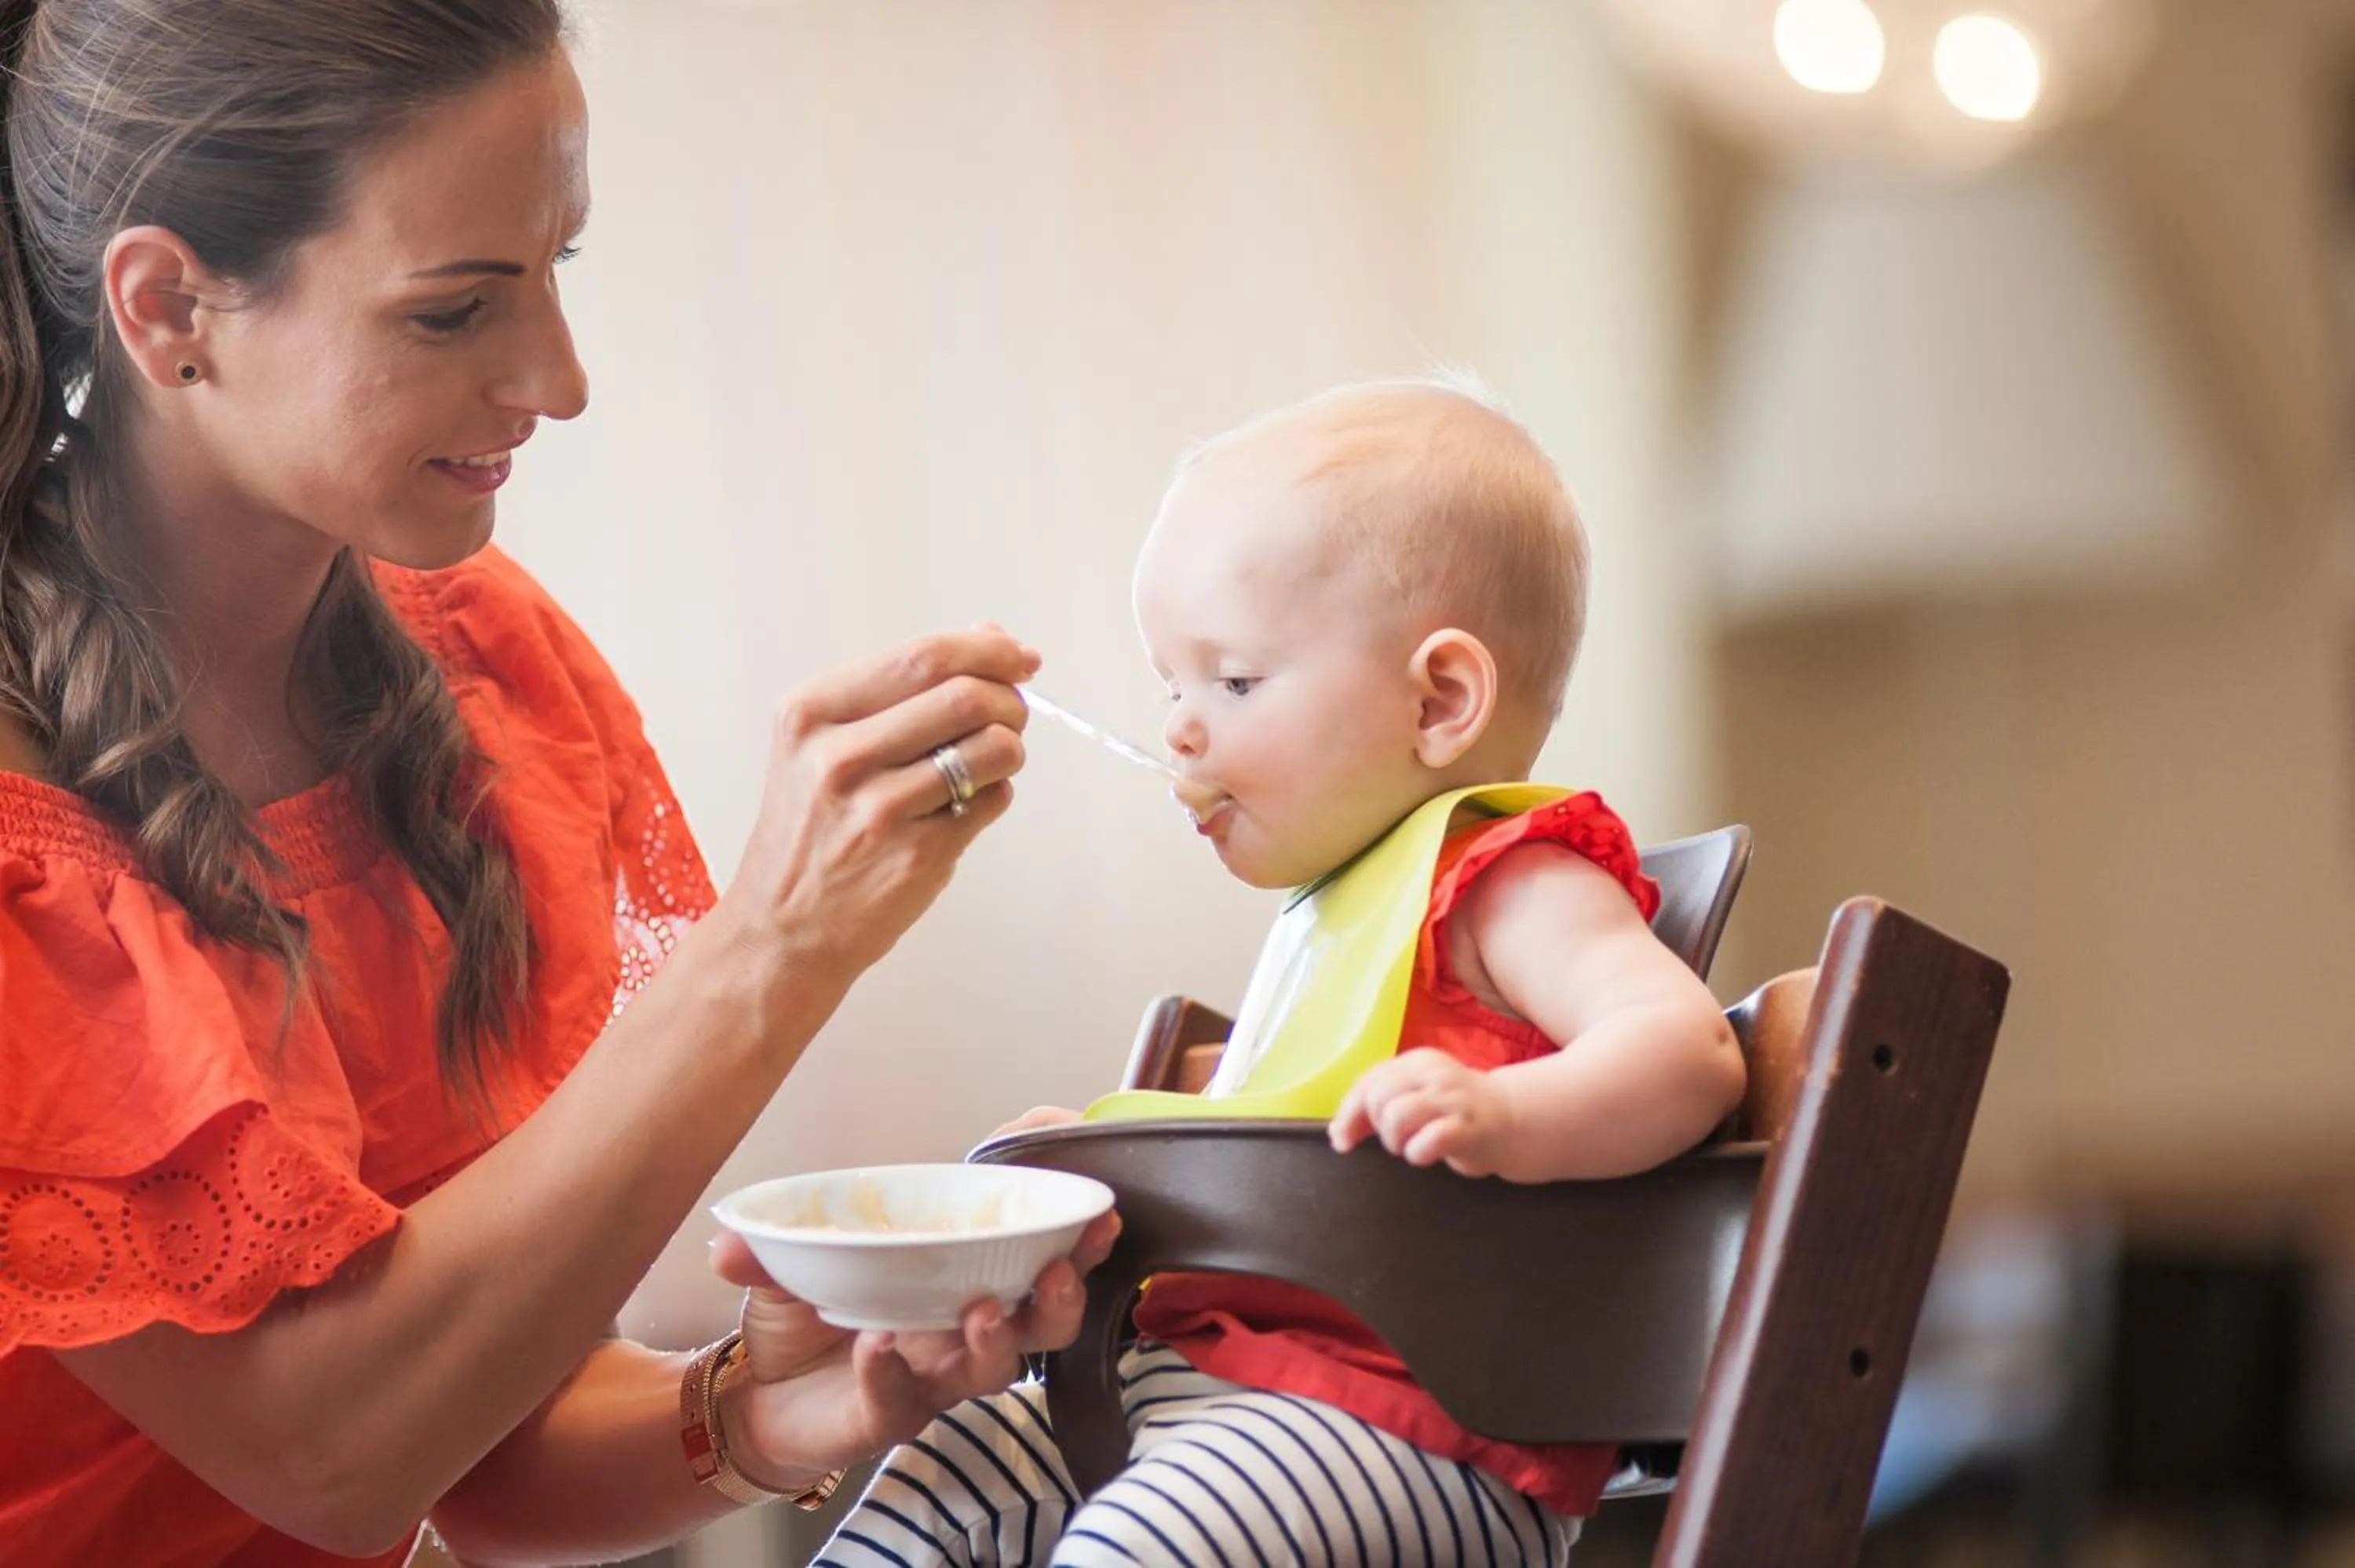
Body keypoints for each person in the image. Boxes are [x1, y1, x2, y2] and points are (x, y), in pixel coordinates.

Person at [0, 3, 1115, 1564]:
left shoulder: (475, 673)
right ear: (171, 305)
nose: (561, 380)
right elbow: (328, 1452)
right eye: (456, 312)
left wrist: (765, 1410)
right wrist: (769, 952)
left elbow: (474, 1446)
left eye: (553, 276)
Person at [816, 377, 1747, 1567]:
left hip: (1421, 1428)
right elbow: (1283, 1146)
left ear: (1441, 699)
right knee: (936, 1479)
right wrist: (1108, 1153)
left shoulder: (1509, 877)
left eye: (1235, 681)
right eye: (1171, 688)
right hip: (1219, 1390)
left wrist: (1507, 1110)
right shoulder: (1335, 911)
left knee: (1137, 1544)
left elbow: (1687, 1053)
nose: (1181, 732)